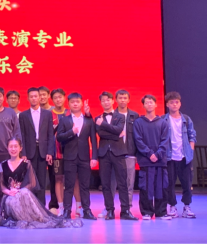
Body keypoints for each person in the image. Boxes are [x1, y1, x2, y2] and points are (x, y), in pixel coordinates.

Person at [0, 137, 81, 229]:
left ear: (20, 148)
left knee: (25, 193)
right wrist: (9, 192)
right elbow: (1, 185)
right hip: (9, 196)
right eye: (11, 146)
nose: (13, 149)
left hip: (22, 194)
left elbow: (32, 183)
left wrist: (19, 191)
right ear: (7, 148)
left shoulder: (26, 163)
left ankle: (28, 219)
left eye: (15, 146)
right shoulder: (3, 164)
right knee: (11, 201)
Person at [95, 92, 138, 221]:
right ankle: (110, 210)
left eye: (108, 100)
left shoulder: (120, 116)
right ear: (101, 103)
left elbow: (118, 129)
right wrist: (115, 134)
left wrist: (104, 125)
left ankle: (125, 210)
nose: (106, 102)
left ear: (113, 101)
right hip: (104, 153)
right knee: (106, 183)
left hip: (119, 152)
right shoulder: (97, 118)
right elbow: (101, 134)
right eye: (103, 100)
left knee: (123, 182)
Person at [56, 93, 98, 220]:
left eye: (77, 101)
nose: (75, 104)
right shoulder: (64, 120)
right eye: (72, 102)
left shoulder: (89, 120)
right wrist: (71, 132)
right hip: (69, 157)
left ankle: (87, 210)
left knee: (85, 186)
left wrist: (94, 157)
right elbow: (59, 137)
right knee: (69, 185)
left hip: (84, 157)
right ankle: (67, 211)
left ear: (81, 103)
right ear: (68, 104)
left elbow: (93, 140)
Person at [134, 94, 171, 221]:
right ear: (143, 105)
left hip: (160, 161)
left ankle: (161, 212)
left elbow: (165, 141)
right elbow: (138, 140)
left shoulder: (163, 122)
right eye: (147, 102)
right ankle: (147, 212)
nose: (149, 104)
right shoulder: (138, 122)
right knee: (146, 187)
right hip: (145, 161)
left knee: (162, 187)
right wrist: (149, 154)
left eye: (151, 102)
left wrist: (158, 154)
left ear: (156, 104)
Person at [163, 92, 197, 219]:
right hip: (169, 157)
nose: (174, 104)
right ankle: (172, 206)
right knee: (169, 184)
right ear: (167, 104)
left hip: (184, 157)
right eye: (171, 102)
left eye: (176, 102)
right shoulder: (163, 120)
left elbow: (192, 135)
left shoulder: (186, 119)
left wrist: (190, 149)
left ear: (180, 104)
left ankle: (187, 207)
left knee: (187, 183)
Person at [51, 89, 84, 218]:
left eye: (60, 97)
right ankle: (61, 207)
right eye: (55, 98)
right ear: (52, 100)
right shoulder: (49, 114)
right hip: (57, 152)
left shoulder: (71, 113)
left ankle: (79, 206)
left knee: (74, 179)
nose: (58, 100)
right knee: (58, 179)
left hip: (72, 152)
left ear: (65, 99)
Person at [19, 88, 54, 206]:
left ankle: (41, 208)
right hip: (29, 152)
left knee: (42, 181)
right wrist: (23, 153)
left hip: (43, 151)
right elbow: (22, 135)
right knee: (30, 181)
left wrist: (50, 152)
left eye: (36, 96)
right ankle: (31, 207)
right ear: (28, 98)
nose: (34, 98)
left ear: (40, 97)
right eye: (31, 96)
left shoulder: (47, 114)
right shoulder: (23, 115)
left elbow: (50, 134)